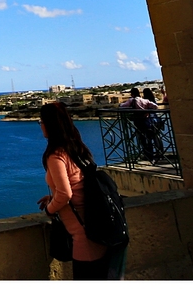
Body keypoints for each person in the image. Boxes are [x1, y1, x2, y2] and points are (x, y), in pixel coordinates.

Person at [36, 101, 124, 280]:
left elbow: (65, 194)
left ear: (50, 124)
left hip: (85, 238)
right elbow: (78, 185)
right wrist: (53, 198)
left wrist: (49, 209)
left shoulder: (56, 155)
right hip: (100, 231)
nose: (40, 126)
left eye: (41, 121)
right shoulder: (77, 149)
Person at [119, 88, 159, 163]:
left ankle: (146, 155)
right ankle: (151, 156)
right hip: (147, 120)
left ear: (132, 94)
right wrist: (148, 112)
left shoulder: (132, 100)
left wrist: (120, 105)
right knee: (149, 138)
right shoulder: (145, 100)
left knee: (142, 138)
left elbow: (123, 106)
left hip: (138, 121)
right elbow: (155, 106)